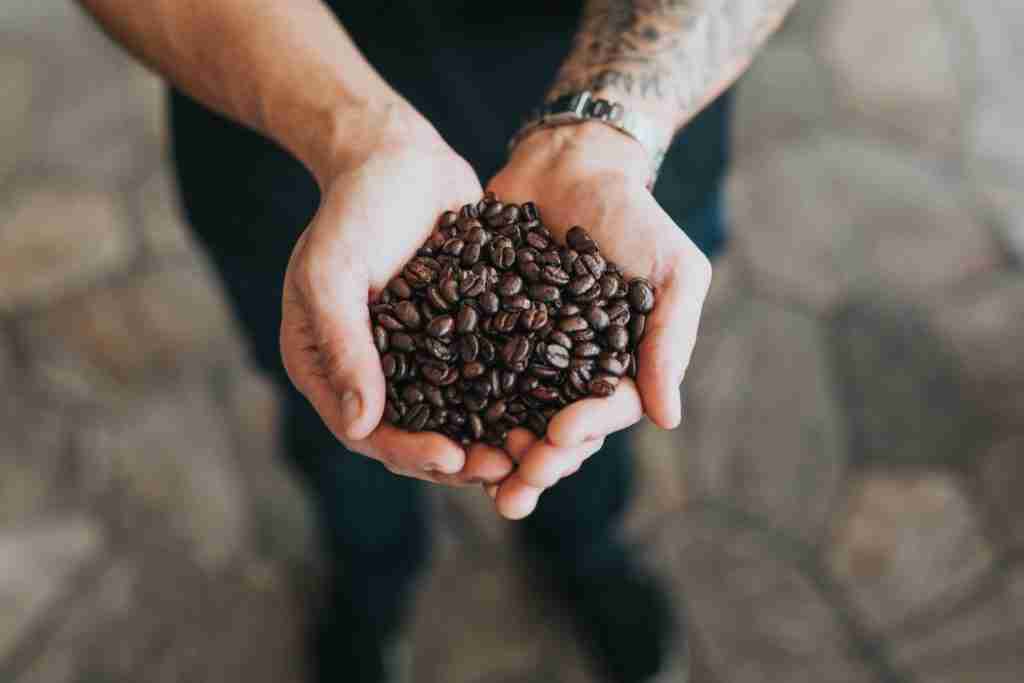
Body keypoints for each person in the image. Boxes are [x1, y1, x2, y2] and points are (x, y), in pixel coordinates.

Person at [78, 1, 797, 681]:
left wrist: (606, 131)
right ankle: (371, 580)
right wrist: (356, 136)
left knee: (590, 427)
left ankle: (584, 551)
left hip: (626, 132)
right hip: (285, 91)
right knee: (344, 410)